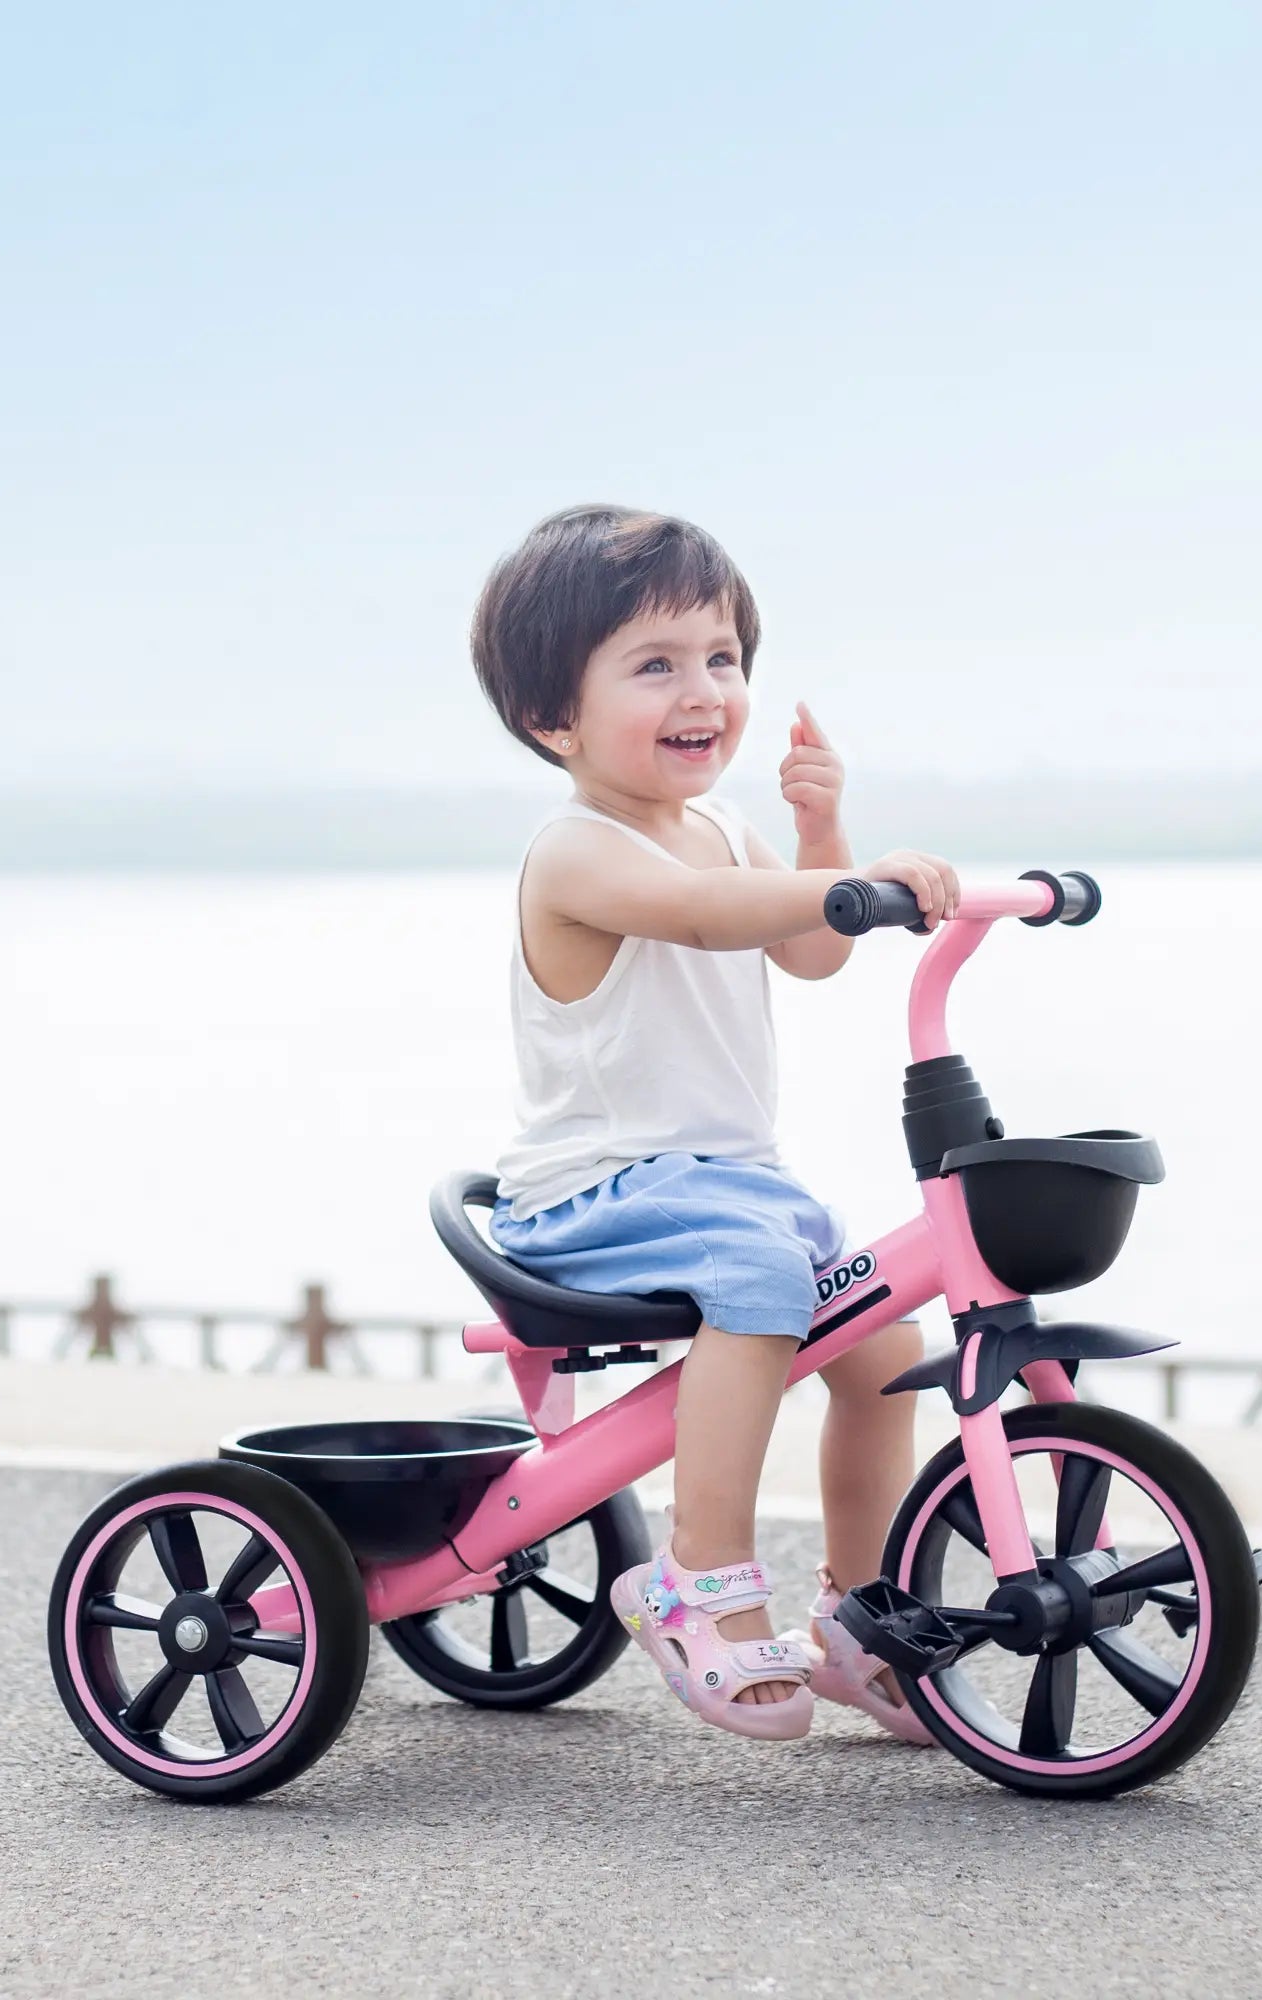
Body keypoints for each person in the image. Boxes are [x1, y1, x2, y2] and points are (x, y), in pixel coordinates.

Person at [470, 503, 960, 1744]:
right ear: (551, 718)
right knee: (758, 1271)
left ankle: (857, 1614)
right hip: (599, 1195)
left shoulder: (722, 832)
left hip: (728, 1186)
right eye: (655, 664)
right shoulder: (574, 852)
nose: (703, 690)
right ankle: (701, 1576)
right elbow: (698, 914)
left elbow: (802, 949)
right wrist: (862, 885)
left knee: (882, 1344)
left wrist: (824, 841)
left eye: (721, 658)